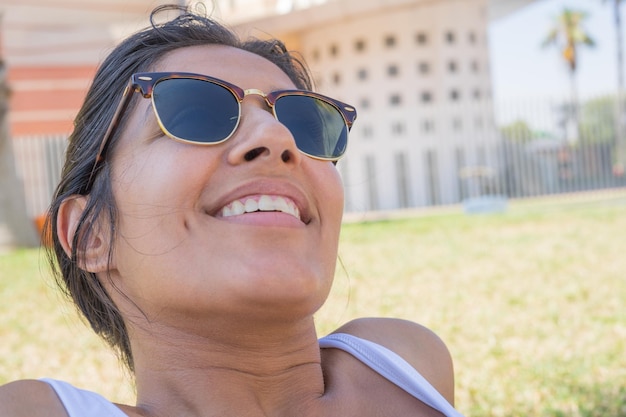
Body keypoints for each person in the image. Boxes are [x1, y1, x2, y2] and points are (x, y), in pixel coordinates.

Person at [0, 5, 464, 417]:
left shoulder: (405, 366)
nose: (279, 139)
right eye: (194, 112)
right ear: (92, 231)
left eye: (305, 123)